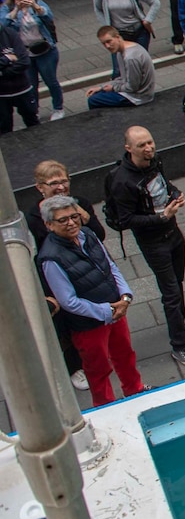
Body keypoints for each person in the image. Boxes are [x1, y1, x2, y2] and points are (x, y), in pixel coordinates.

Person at [105, 125, 185, 367]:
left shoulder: (155, 161)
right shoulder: (122, 181)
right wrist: (162, 216)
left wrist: (175, 193)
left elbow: (163, 184)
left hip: (172, 233)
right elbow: (126, 219)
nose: (149, 148)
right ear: (129, 148)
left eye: (150, 142)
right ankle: (179, 346)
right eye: (142, 145)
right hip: (153, 241)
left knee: (178, 281)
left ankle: (180, 325)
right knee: (170, 292)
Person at [37, 195, 144, 405]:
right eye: (63, 220)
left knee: (125, 355)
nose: (71, 223)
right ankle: (106, 407)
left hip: (116, 310)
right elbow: (68, 301)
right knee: (98, 369)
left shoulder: (87, 234)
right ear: (49, 225)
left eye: (74, 216)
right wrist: (107, 311)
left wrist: (125, 296)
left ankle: (136, 392)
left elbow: (110, 266)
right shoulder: (50, 258)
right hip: (88, 326)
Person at [24, 163, 105, 390]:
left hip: (85, 272)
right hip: (57, 278)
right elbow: (34, 258)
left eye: (64, 181)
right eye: (53, 184)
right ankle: (74, 367)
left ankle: (95, 354)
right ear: (40, 187)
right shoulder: (32, 219)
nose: (61, 187)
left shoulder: (79, 204)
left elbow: (99, 236)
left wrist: (85, 218)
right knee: (66, 324)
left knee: (92, 314)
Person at [1, 0, 64, 120]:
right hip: (25, 53)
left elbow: (48, 17)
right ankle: (34, 109)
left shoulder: (37, 3)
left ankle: (58, 108)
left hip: (45, 50)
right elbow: (3, 25)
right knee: (31, 84)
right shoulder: (7, 9)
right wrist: (16, 10)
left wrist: (35, 6)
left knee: (51, 81)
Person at [86, 26, 155, 108]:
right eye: (104, 44)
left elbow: (133, 87)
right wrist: (101, 87)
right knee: (98, 93)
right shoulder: (121, 51)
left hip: (139, 97)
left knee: (93, 100)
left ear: (117, 37)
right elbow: (122, 78)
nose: (107, 46)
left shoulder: (130, 58)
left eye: (109, 41)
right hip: (134, 91)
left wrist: (113, 88)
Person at [0, 21, 38, 133]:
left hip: (22, 89)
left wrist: (2, 72)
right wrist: (7, 58)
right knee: (4, 129)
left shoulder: (10, 34)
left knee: (33, 123)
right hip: (2, 95)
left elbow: (24, 62)